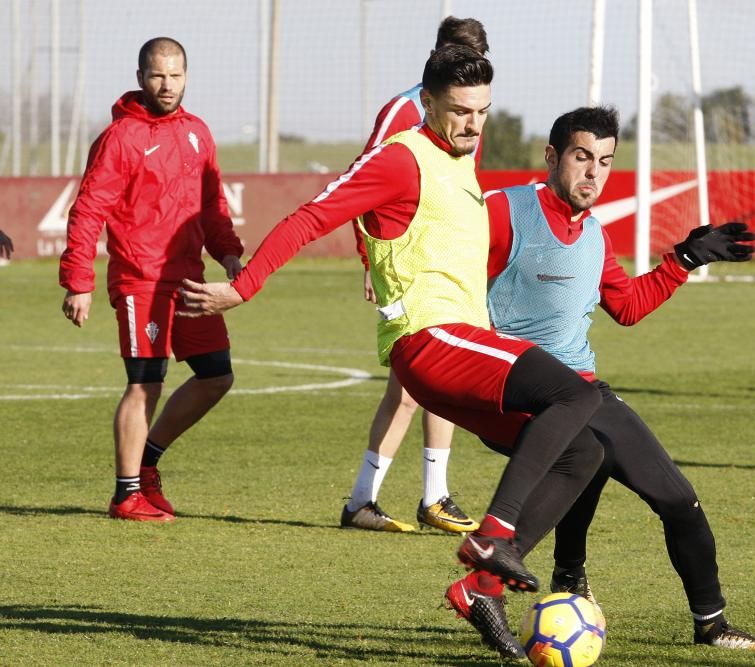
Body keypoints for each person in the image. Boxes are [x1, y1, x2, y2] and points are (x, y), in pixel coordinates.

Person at [179, 46, 609, 661]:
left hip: (464, 345)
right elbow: (312, 216)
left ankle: (481, 589)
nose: (472, 124)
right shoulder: (401, 159)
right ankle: (491, 541)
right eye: (459, 111)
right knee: (578, 392)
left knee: (583, 449)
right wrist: (244, 286)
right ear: (426, 103)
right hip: (427, 340)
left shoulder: (461, 157)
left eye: (482, 112)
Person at [443, 106, 755, 654]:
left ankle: (711, 625)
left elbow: (627, 306)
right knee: (585, 454)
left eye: (604, 161)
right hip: (519, 389)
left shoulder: (593, 234)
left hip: (584, 389)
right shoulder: (505, 211)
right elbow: (447, 266)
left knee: (678, 500)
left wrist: (685, 259)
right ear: (552, 157)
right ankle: (496, 581)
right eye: (581, 157)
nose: (593, 173)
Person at [59, 37, 243, 522]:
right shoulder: (120, 137)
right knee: (146, 382)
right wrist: (78, 280)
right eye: (158, 75)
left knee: (216, 374)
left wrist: (227, 251)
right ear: (141, 77)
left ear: (187, 75)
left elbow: (211, 204)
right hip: (141, 278)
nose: (167, 84)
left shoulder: (198, 133)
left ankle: (148, 461)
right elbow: (88, 210)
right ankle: (126, 495)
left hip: (189, 280)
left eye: (176, 75)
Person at [341, 16, 489, 535]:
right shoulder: (404, 111)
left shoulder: (467, 114)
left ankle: (420, 496)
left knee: (432, 385)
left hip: (444, 273)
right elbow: (361, 184)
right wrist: (370, 262)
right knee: (410, 390)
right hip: (404, 271)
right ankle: (384, 499)